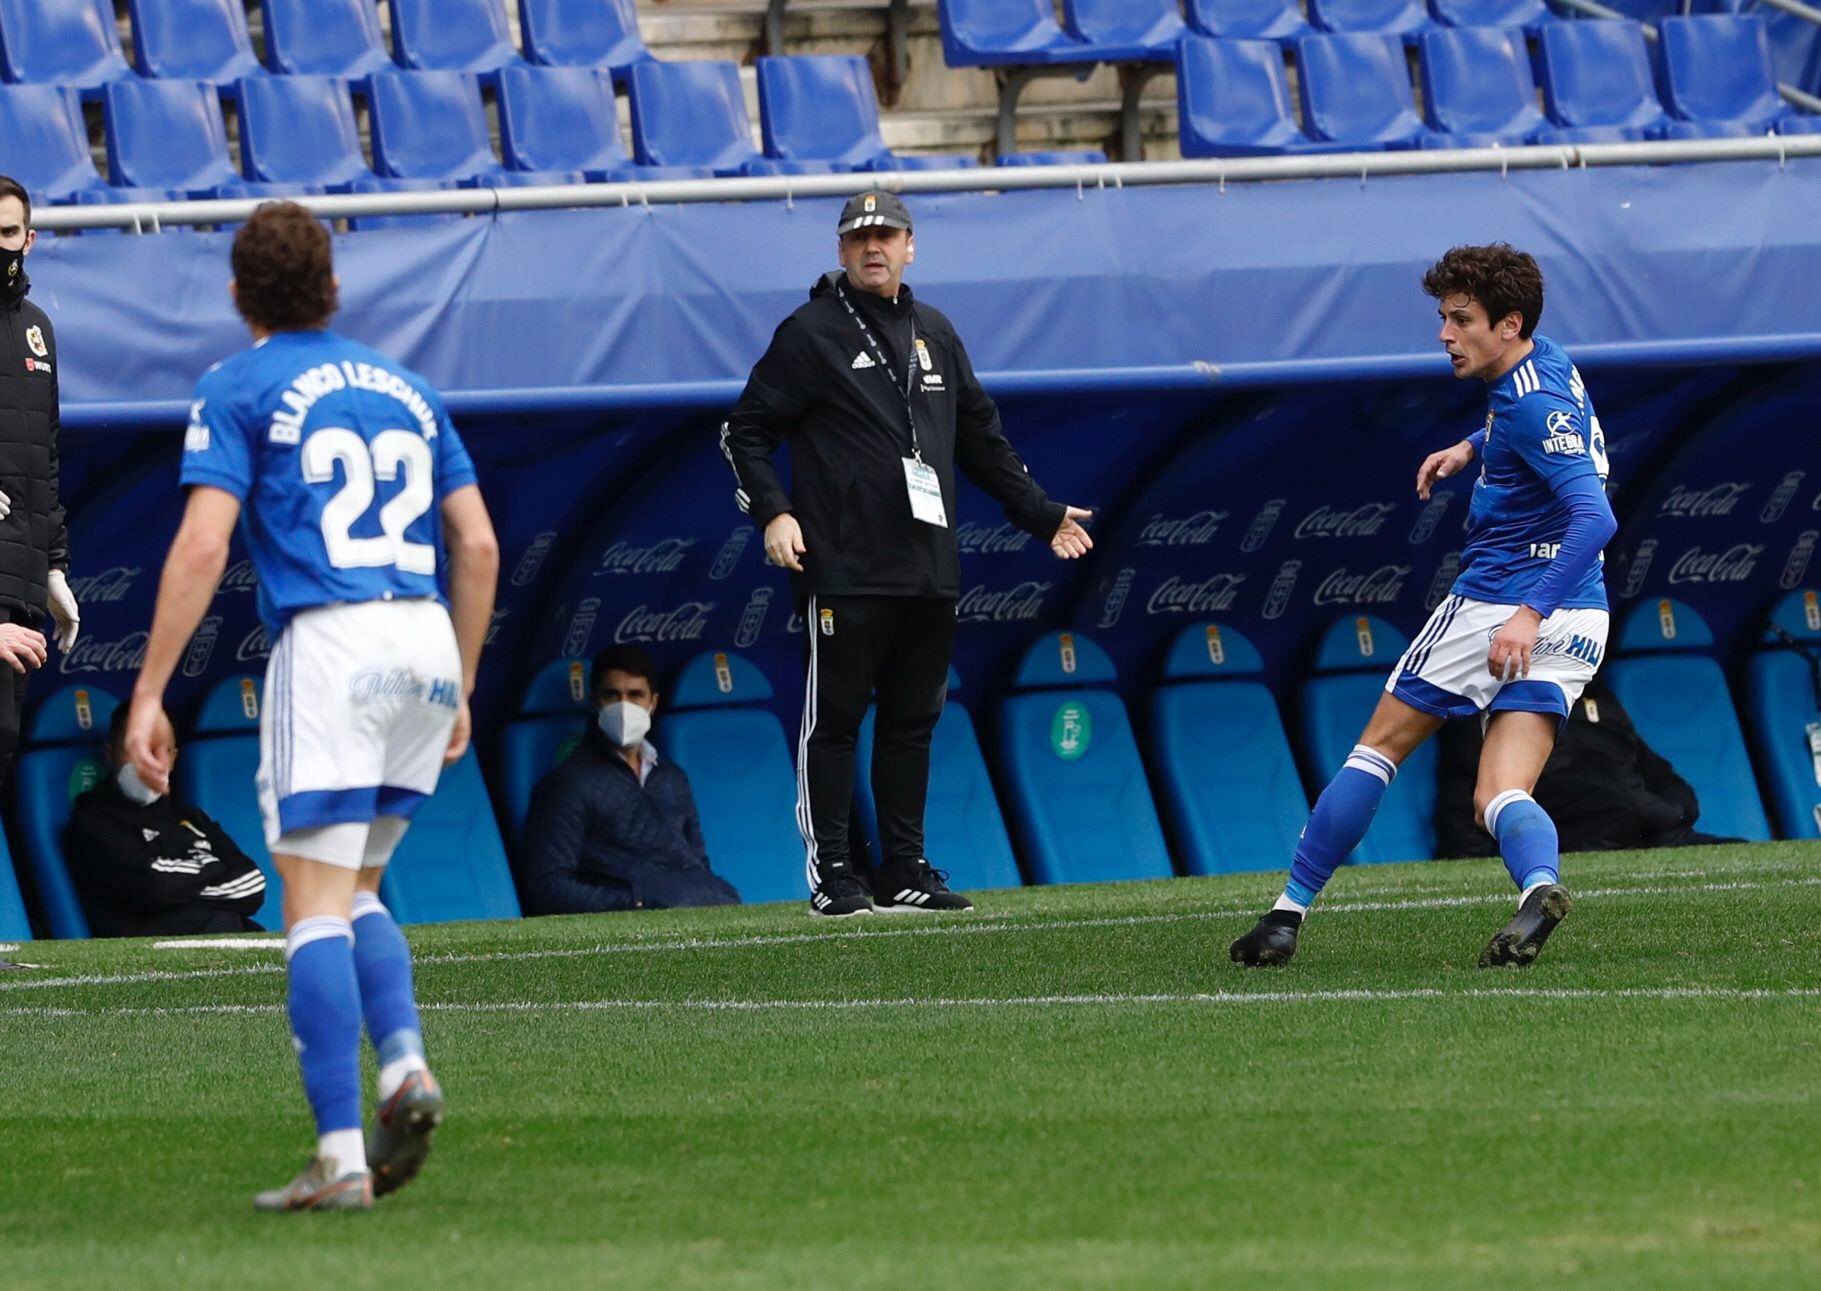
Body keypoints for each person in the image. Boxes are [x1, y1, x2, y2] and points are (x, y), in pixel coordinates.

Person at [124, 202, 500, 1211]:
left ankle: (340, 1155)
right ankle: (405, 1062)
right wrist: (460, 678)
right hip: (421, 632)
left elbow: (204, 544)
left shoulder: (238, 383)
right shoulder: (409, 388)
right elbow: (480, 546)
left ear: (239, 293)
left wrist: (150, 689)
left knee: (312, 906)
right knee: (361, 885)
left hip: (332, 643)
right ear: (333, 287)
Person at [1230, 243, 1618, 970]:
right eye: (1442, 316)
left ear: (1506, 324)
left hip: (1503, 603)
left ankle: (1284, 916)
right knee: (1496, 794)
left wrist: (1524, 613)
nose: (1444, 333)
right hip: (1583, 608)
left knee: (1376, 749)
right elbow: (1537, 427)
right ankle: (1539, 886)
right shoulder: (1547, 362)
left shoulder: (1529, 404)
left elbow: (1594, 516)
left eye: (1460, 319)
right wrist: (1471, 447)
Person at [721, 191, 1094, 918]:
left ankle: (903, 868)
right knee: (833, 720)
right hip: (844, 563)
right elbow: (744, 431)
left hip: (927, 564)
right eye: (859, 236)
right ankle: (833, 871)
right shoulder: (810, 332)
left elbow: (981, 438)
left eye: (886, 235)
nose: (873, 246)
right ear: (839, 251)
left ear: (910, 245)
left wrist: (1040, 514)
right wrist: (773, 512)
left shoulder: (935, 333)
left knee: (911, 720)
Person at [0, 176, 81, 970]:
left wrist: (54, 566)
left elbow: (42, 464)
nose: (3, 247)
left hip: (19, 581)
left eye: (12, 232)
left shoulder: (38, 333)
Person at [519, 644, 741, 914]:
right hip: (637, 926)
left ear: (653, 703)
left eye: (635, 695)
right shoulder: (568, 784)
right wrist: (636, 903)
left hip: (699, 907)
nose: (625, 706)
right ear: (595, 702)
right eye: (612, 695)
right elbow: (547, 887)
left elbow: (698, 863)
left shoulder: (672, 777)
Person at [1434, 679, 1736, 858]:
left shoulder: (1596, 696)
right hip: (1585, 853)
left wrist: (1666, 812)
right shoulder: (1487, 716)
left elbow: (1663, 774)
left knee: (1750, 860)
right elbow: (1466, 814)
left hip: (1663, 836)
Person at [65, 705, 267, 938]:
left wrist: (178, 885)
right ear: (111, 754)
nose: (149, 762)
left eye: (161, 750)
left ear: (173, 758)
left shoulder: (192, 818)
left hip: (214, 938)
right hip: (140, 952)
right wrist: (213, 866)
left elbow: (253, 886)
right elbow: (152, 885)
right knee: (221, 919)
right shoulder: (93, 822)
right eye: (136, 749)